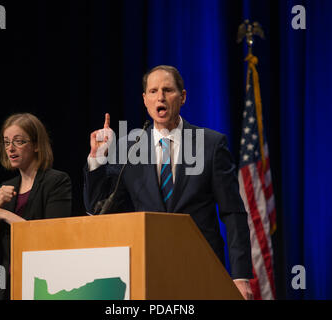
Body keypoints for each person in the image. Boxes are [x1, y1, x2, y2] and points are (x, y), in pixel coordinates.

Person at [83, 65, 253, 299]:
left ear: (182, 97)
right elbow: (98, 208)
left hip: (202, 270)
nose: (160, 97)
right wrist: (97, 158)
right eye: (153, 91)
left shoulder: (211, 145)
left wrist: (240, 276)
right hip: (148, 271)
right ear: (144, 100)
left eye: (167, 90)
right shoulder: (130, 149)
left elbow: (232, 213)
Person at [0, 113, 72, 300]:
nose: (11, 149)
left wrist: (2, 213)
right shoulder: (7, 188)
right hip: (9, 287)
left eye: (19, 141)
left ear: (37, 145)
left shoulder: (56, 181)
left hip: (43, 285)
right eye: (6, 142)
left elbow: (51, 236)